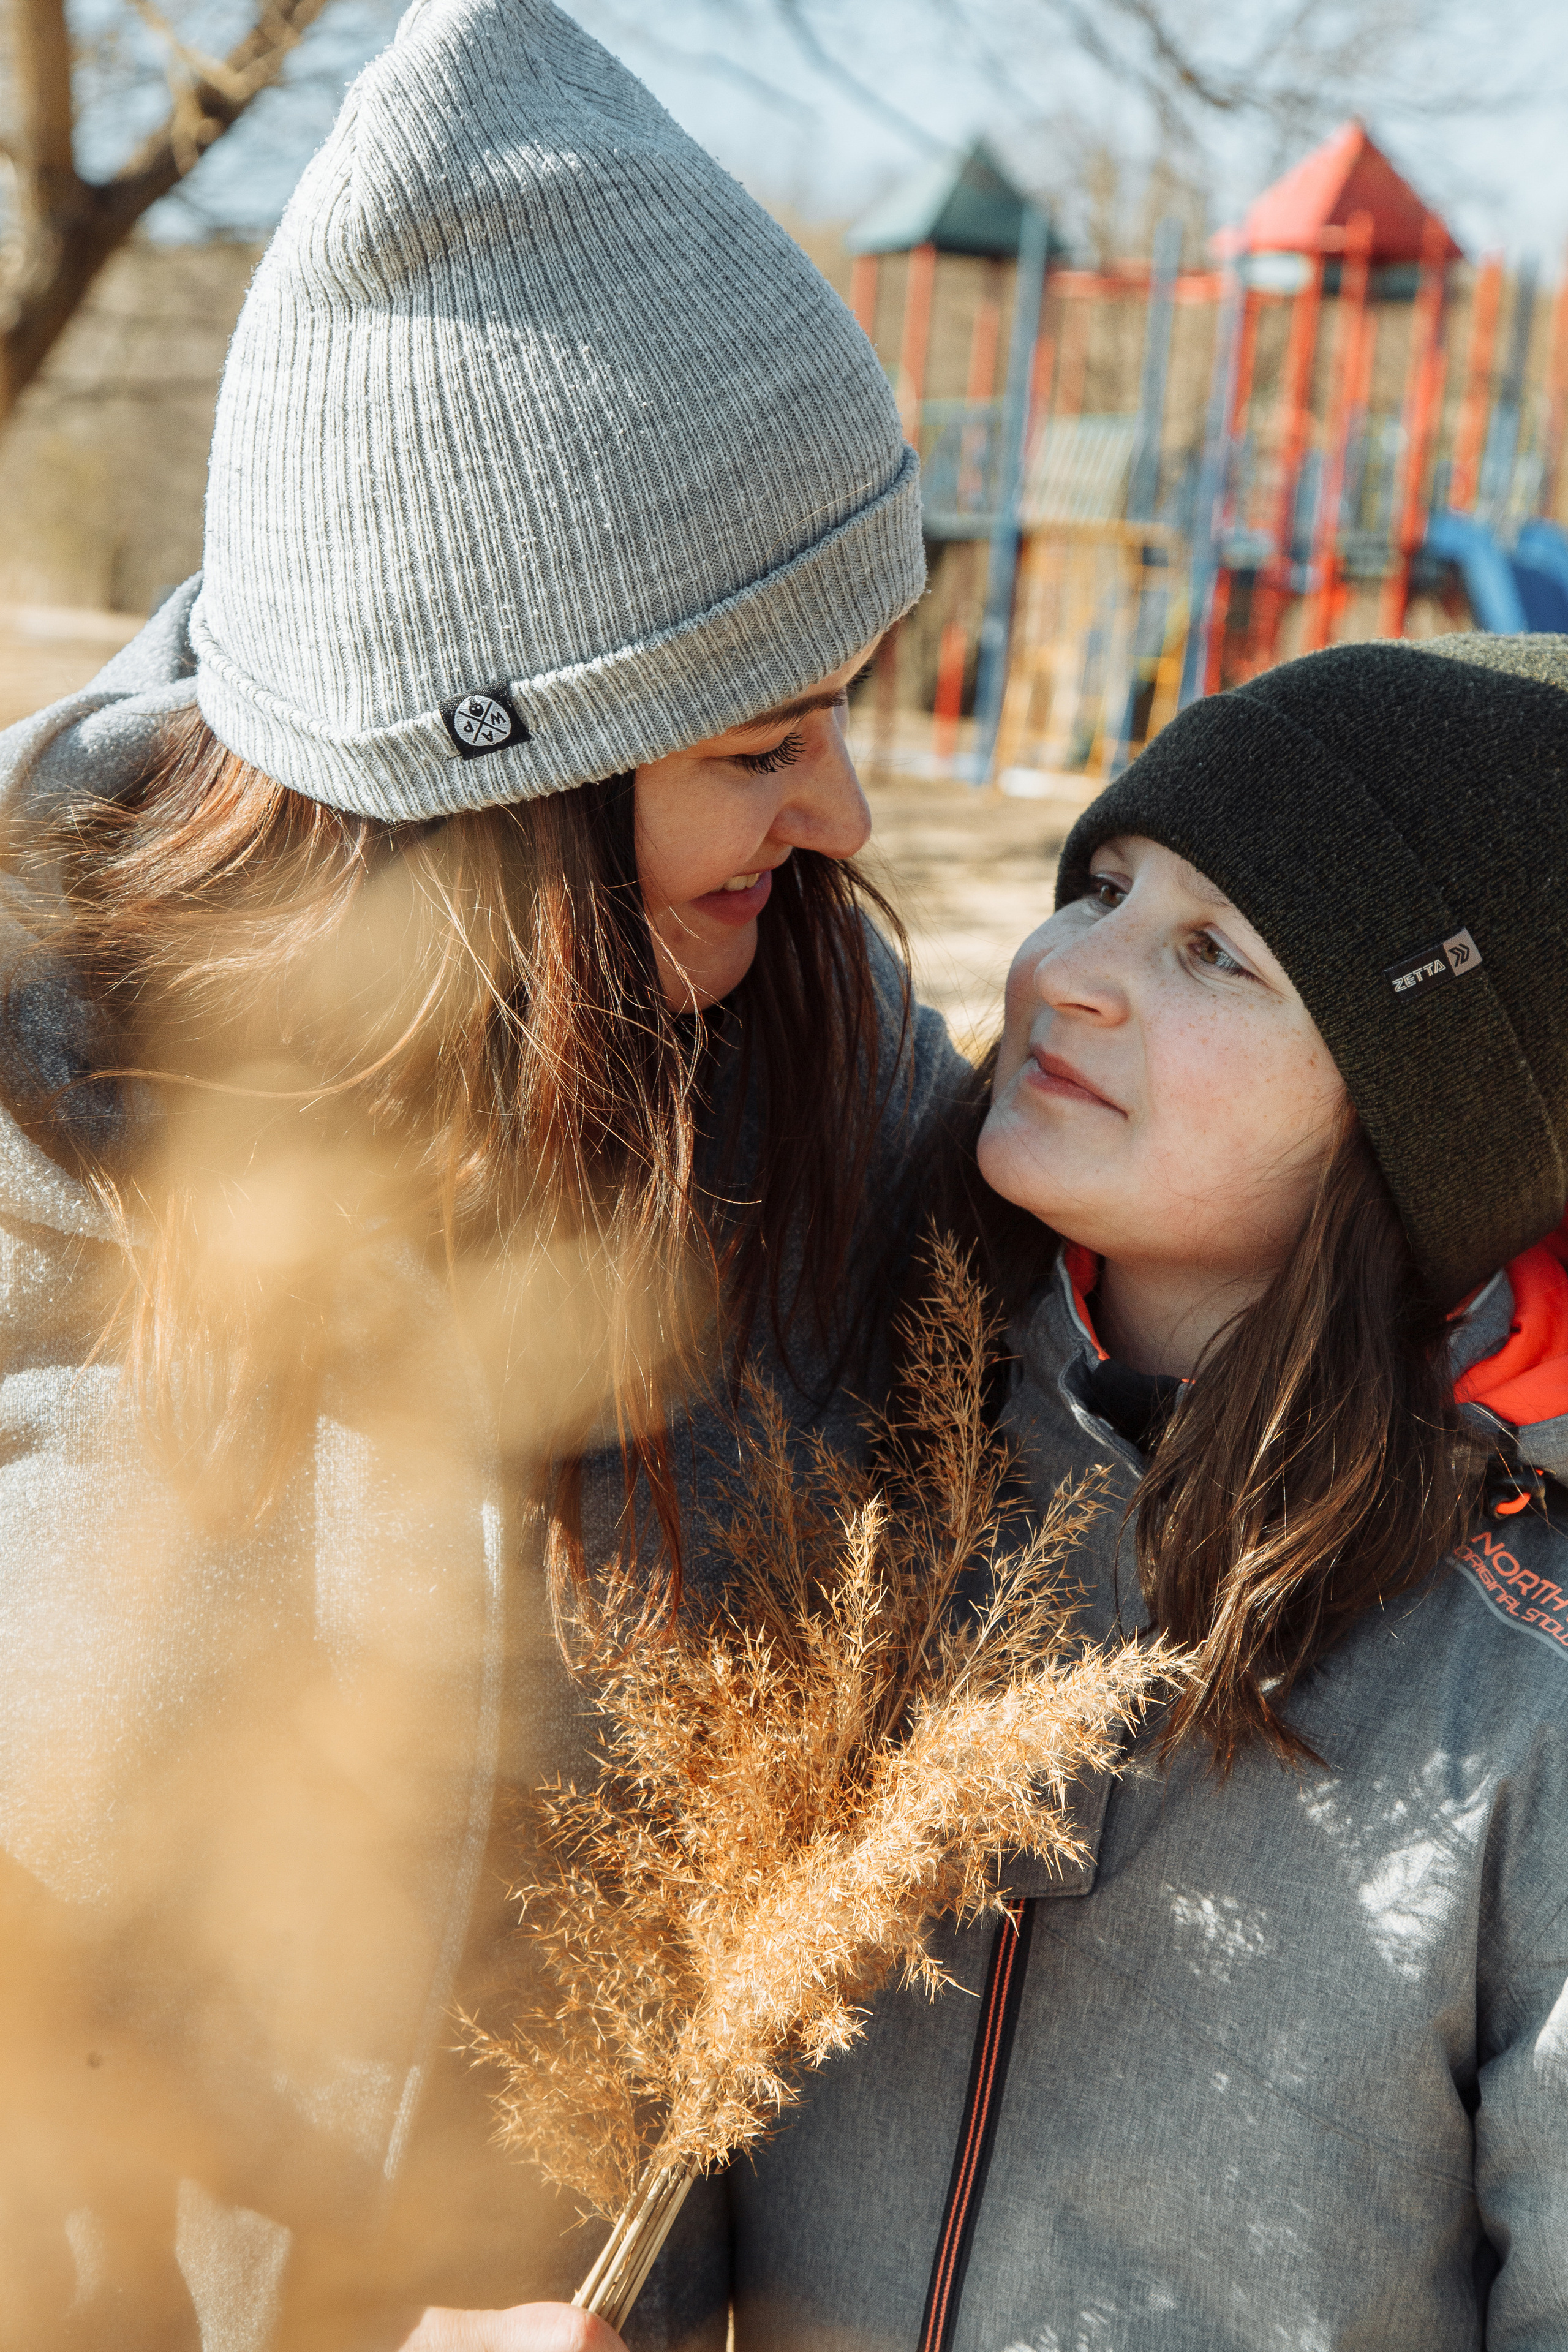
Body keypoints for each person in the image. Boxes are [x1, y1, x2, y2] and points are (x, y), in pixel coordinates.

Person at [0, 1, 954, 2344]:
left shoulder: (817, 1059)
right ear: (483, 788)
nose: (841, 817)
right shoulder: (33, 1138)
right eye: (761, 741)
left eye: (845, 708)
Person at [703, 633, 1568, 2351]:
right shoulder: (859, 1443)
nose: (1068, 973)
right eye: (1101, 888)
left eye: (1213, 953)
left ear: (1429, 1120)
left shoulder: (1519, 1683)